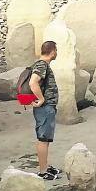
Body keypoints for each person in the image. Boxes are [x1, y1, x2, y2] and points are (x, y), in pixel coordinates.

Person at [29, 41, 62, 180]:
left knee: (46, 138)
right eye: (56, 50)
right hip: (45, 107)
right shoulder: (42, 65)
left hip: (47, 107)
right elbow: (33, 82)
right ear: (53, 51)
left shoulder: (42, 65)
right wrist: (41, 99)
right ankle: (43, 172)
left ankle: (46, 166)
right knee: (43, 138)